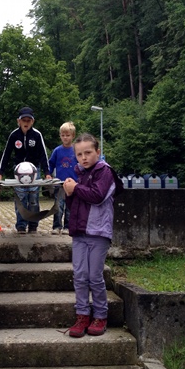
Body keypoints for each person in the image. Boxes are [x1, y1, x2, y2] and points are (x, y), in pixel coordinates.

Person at [63, 133, 123, 338]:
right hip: (80, 233)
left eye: (88, 153)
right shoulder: (80, 173)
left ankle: (100, 315)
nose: (84, 158)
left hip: (98, 232)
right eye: (79, 154)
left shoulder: (104, 171)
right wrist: (69, 193)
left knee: (95, 277)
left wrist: (75, 188)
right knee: (80, 275)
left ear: (98, 152)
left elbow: (97, 196)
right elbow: (74, 205)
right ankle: (82, 315)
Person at [0, 106, 51, 234]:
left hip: (34, 171)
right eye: (23, 120)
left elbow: (43, 154)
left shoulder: (37, 135)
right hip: (19, 172)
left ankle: (33, 225)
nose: (26, 122)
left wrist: (47, 173)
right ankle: (21, 225)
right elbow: (6, 154)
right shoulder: (14, 135)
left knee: (33, 199)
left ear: (32, 121)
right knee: (21, 198)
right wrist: (0, 173)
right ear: (18, 121)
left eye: (28, 120)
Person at [48, 121, 78, 235]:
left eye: (68, 135)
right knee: (58, 206)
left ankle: (68, 227)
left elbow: (81, 165)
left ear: (73, 135)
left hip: (72, 184)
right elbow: (51, 164)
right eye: (63, 135)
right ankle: (57, 226)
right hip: (59, 184)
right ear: (60, 136)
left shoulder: (76, 150)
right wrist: (48, 174)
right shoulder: (57, 150)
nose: (65, 137)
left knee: (70, 207)